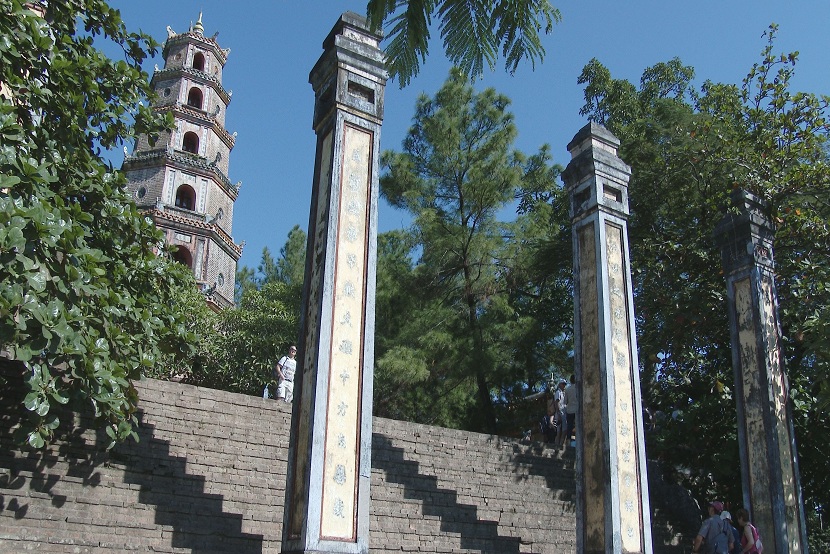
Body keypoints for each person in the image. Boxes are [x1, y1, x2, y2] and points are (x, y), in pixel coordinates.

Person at [563, 374, 578, 448]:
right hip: (577, 410)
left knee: (570, 426)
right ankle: (578, 440)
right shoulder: (578, 388)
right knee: (578, 426)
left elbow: (565, 402)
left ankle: (568, 441)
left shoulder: (567, 389)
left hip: (569, 410)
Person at [554, 379, 568, 447]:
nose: (564, 386)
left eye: (565, 384)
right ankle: (557, 446)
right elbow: (556, 403)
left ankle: (560, 445)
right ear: (560, 384)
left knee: (564, 431)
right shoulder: (558, 392)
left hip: (564, 413)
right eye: (563, 384)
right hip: (560, 413)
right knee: (559, 431)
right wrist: (558, 413)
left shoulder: (563, 393)